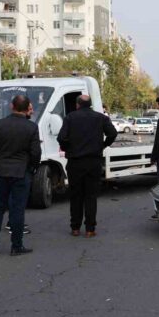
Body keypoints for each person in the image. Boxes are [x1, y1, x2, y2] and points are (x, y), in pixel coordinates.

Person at [0, 95, 41, 256]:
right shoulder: (31, 127)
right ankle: (16, 245)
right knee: (17, 210)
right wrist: (32, 168)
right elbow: (35, 152)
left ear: (11, 106)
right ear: (27, 108)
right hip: (21, 171)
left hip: (3, 170)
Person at [58, 95, 117, 238]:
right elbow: (113, 133)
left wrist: (69, 149)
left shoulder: (70, 118)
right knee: (91, 196)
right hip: (93, 162)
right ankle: (90, 229)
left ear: (78, 104)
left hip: (75, 162)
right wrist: (102, 145)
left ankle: (75, 228)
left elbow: (61, 138)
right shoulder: (100, 117)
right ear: (90, 104)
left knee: (76, 195)